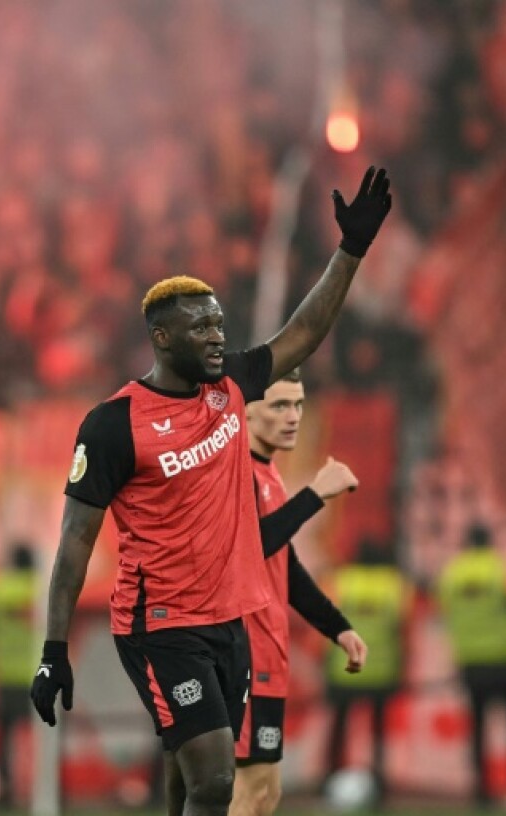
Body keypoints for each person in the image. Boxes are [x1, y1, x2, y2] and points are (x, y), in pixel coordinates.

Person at [30, 167, 392, 816]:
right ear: (163, 338)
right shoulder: (113, 425)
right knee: (216, 779)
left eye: (221, 327)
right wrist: (54, 651)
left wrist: (351, 251)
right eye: (203, 330)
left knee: (182, 769)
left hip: (230, 624)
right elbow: (73, 545)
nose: (218, 339)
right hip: (160, 623)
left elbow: (303, 333)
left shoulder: (230, 388)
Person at [230, 367, 366, 816]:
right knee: (245, 791)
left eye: (299, 405)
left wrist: (338, 628)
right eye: (280, 405)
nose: (293, 417)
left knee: (266, 791)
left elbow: (283, 567)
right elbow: (252, 548)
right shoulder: (232, 474)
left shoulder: (268, 475)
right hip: (239, 656)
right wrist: (315, 495)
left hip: (269, 653)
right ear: (247, 413)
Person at [437, 524, 506, 810]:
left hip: (471, 662)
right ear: (490, 542)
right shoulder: (504, 569)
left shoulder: (452, 574)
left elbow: (445, 611)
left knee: (478, 730)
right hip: (504, 660)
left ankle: (480, 792)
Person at [325, 538, 409, 806]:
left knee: (339, 727)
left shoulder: (340, 580)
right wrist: (403, 665)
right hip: (381, 669)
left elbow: (322, 625)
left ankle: (331, 777)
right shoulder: (395, 584)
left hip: (342, 669)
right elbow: (405, 630)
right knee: (378, 731)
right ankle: (379, 783)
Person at [0, 544, 38, 808]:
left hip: (4, 673)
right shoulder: (40, 589)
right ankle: (53, 786)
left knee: (5, 735)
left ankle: (5, 788)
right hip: (37, 673)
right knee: (49, 735)